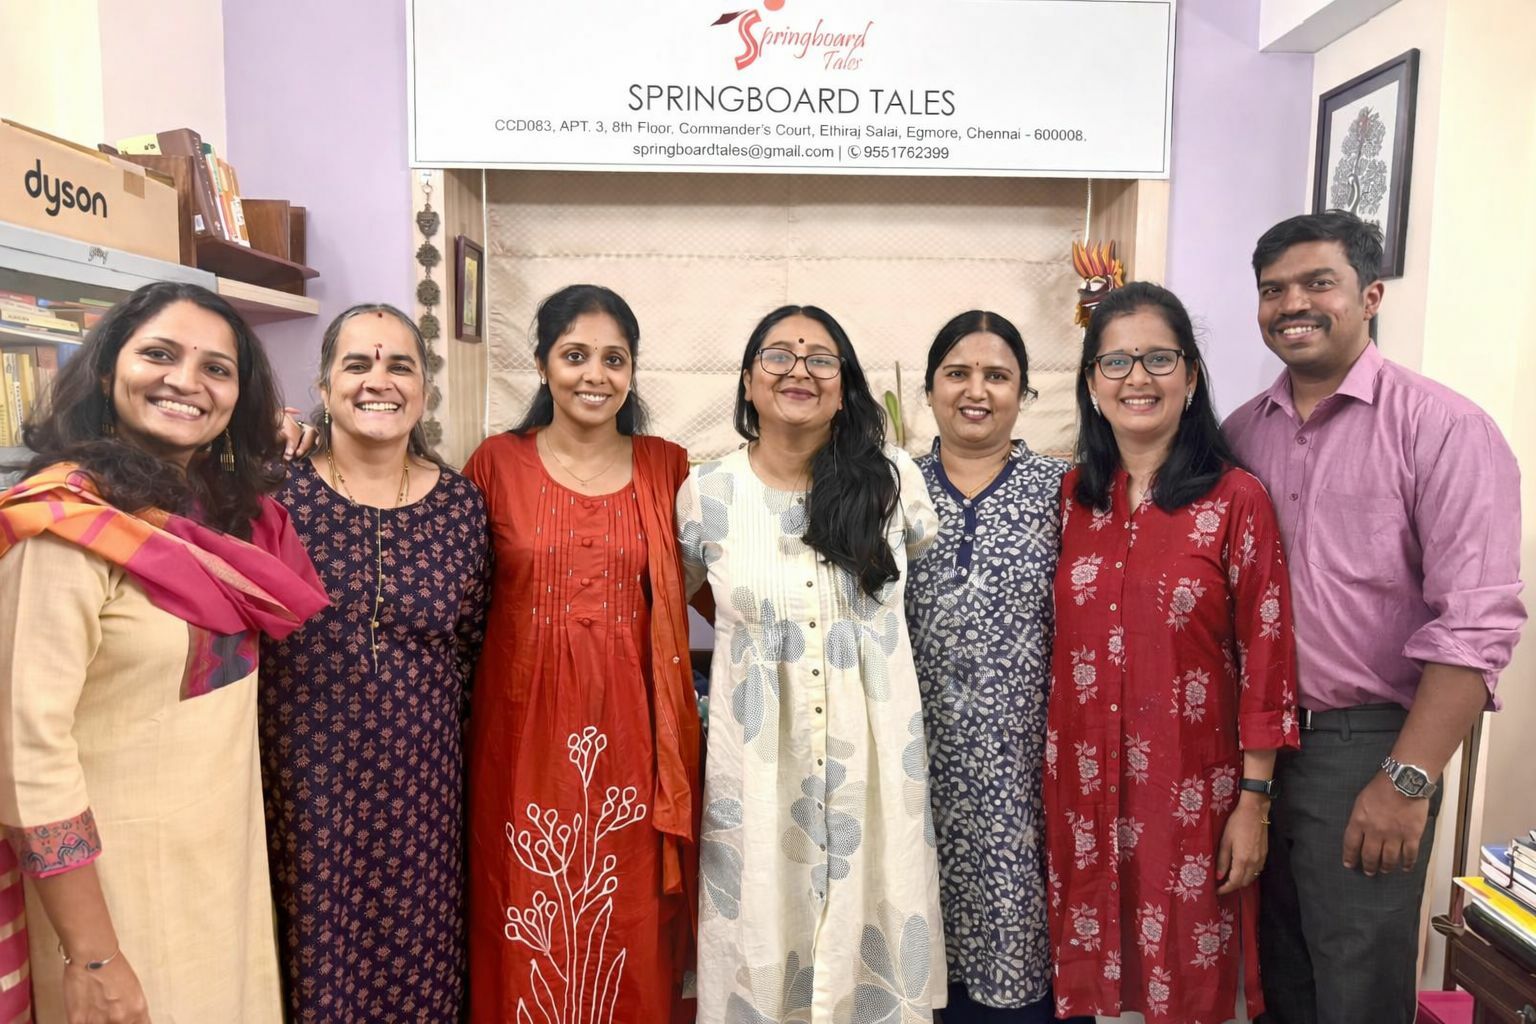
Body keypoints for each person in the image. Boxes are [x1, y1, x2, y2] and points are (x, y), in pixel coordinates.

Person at [1224, 212, 1526, 1024]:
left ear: (1371, 295)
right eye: (1273, 290)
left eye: (1318, 283)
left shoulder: (1444, 428)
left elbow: (1477, 625)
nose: (1293, 304)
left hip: (1369, 745)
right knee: (1276, 976)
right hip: (1256, 748)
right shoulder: (1241, 433)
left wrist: (1406, 780)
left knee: (1355, 987)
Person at [0, 281, 327, 1022]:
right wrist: (93, 956)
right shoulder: (63, 529)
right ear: (106, 370)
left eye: (217, 368)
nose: (186, 381)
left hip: (223, 874)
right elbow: (26, 757)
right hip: (116, 903)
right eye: (159, 354)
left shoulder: (226, 519)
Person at [678, 304, 947, 1023]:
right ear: (747, 380)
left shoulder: (894, 482)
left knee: (872, 942)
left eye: (821, 358)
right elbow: (679, 600)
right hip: (761, 769)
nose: (799, 370)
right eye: (779, 355)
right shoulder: (706, 493)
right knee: (765, 941)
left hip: (874, 767)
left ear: (844, 383)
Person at [1044, 281, 1300, 1024]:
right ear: (1092, 383)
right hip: (1083, 789)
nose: (1138, 378)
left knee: (1186, 989)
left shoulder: (1236, 499)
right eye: (1116, 362)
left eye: (1159, 358)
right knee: (1098, 986)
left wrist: (1253, 802)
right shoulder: (1072, 498)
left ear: (1190, 375)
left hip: (1190, 797)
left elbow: (1267, 656)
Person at [462, 285, 700, 1023]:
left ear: (631, 372)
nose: (594, 375)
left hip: (634, 740)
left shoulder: (669, 468)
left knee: (628, 922)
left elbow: (729, 583)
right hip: (519, 739)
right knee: (523, 911)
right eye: (575, 356)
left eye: (613, 359)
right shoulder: (496, 464)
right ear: (542, 365)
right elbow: (452, 591)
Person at [258, 304, 490, 1022]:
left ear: (425, 390)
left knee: (421, 973)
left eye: (400, 366)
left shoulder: (462, 506)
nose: (377, 381)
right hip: (301, 793)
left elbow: (472, 647)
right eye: (356, 364)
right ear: (324, 389)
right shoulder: (273, 495)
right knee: (312, 969)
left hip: (424, 800)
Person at [904, 310, 1090, 1024]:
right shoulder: (892, 489)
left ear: (1023, 393)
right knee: (920, 956)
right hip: (918, 772)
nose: (975, 391)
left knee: (1025, 963)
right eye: (957, 373)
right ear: (929, 390)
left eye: (997, 375)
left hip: (1029, 778)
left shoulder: (1067, 491)